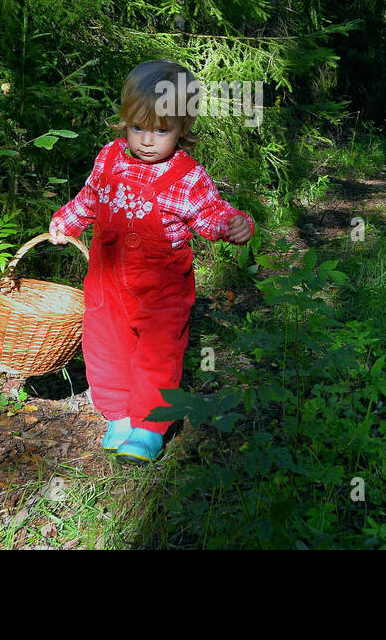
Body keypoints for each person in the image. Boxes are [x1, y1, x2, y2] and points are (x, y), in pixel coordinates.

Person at [48, 59, 255, 463]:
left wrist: (234, 224)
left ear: (182, 130)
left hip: (161, 286)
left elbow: (210, 213)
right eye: (137, 127)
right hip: (108, 280)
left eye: (161, 130)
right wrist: (65, 223)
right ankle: (120, 414)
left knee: (158, 352)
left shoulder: (188, 177)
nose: (146, 140)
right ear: (125, 121)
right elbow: (90, 200)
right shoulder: (109, 159)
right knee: (106, 345)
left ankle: (149, 425)